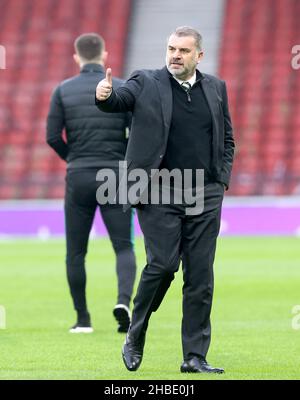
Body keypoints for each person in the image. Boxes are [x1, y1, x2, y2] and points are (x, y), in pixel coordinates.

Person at [95, 26, 235, 373]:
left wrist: (221, 180)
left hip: (205, 192)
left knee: (200, 277)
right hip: (159, 189)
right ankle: (135, 334)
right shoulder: (145, 81)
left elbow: (227, 137)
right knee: (163, 266)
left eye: (184, 50)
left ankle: (194, 356)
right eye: (171, 48)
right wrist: (104, 95)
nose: (175, 55)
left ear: (199, 56)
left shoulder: (217, 88)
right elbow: (117, 101)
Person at [47, 33, 137, 334]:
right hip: (115, 174)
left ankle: (82, 319)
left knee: (75, 252)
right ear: (105, 55)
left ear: (77, 57)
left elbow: (51, 137)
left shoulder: (63, 90)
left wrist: (73, 158)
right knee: (124, 246)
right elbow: (136, 133)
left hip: (80, 175)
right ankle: (124, 303)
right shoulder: (123, 87)